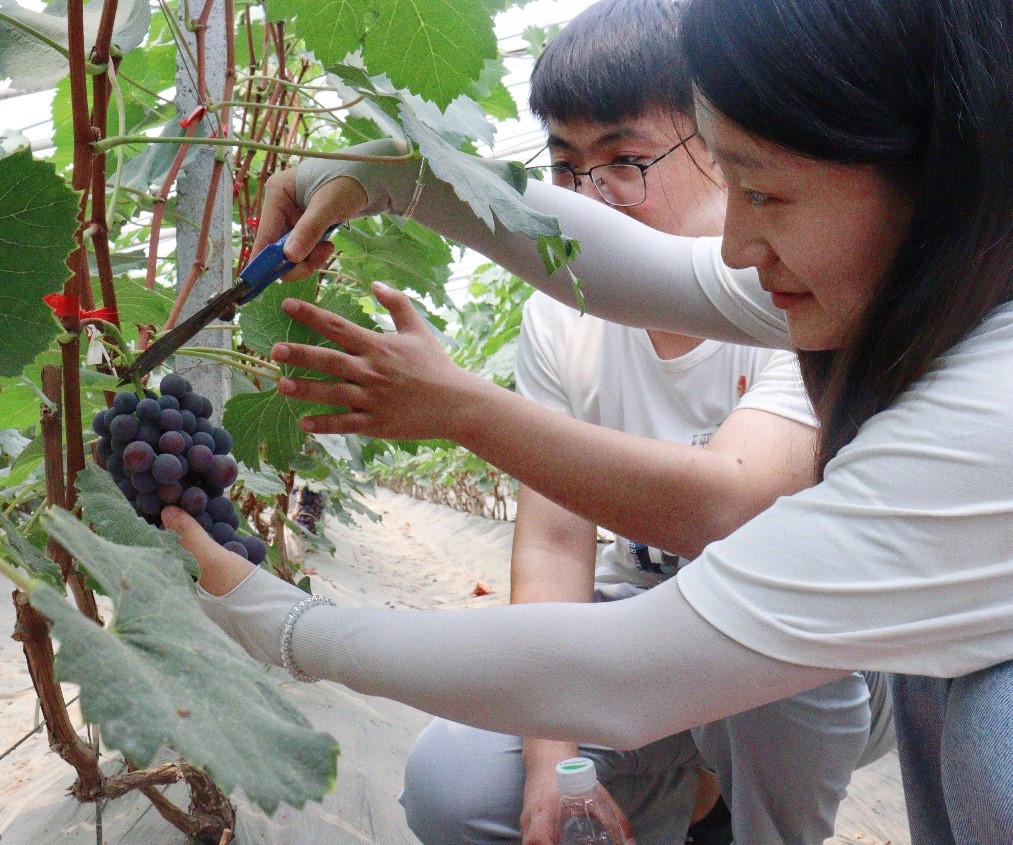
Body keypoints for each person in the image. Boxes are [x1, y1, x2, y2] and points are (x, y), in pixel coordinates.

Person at [166, 1, 1013, 842]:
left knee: (995, 740)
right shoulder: (916, 265)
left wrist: (282, 623)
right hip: (729, 638)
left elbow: (637, 660)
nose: (734, 248)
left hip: (795, 668)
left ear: (934, 168)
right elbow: (630, 272)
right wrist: (390, 174)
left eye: (761, 190)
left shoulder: (984, 412)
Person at [398, 4, 889, 845]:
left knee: (762, 614)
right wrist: (552, 760)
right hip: (645, 634)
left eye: (625, 162)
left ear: (722, 144)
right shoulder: (560, 317)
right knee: (457, 786)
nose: (588, 198)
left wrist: (461, 408)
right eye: (565, 166)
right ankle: (683, 799)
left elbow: (731, 505)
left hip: (822, 651)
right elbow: (554, 545)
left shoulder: (798, 296)